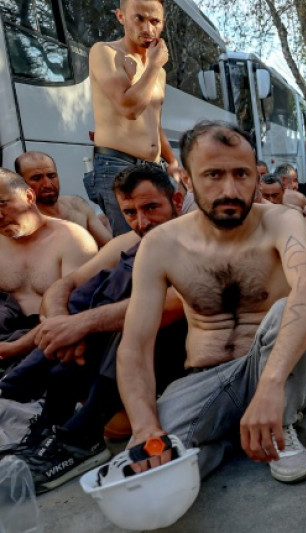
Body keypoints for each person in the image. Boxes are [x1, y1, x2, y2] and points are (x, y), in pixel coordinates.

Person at [116, 121, 306, 482]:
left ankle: (279, 421)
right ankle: (231, 438)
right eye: (213, 175)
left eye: (241, 174)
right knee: (151, 470)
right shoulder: (161, 245)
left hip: (279, 374)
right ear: (187, 179)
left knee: (289, 308)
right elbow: (135, 345)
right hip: (204, 381)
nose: (230, 189)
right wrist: (144, 426)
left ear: (256, 177)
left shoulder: (282, 221)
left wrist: (270, 387)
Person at [1, 163, 187, 492]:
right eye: (130, 212)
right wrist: (63, 323)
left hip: (159, 356)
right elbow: (65, 285)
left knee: (131, 303)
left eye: (151, 208)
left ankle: (78, 437)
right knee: (90, 292)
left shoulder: (194, 243)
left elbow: (173, 305)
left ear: (177, 200)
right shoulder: (131, 240)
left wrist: (81, 325)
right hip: (97, 361)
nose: (142, 221)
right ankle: (51, 419)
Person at [86, 0, 183, 236]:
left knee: (164, 241)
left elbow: (153, 122)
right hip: (117, 165)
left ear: (163, 23)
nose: (148, 29)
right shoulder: (105, 52)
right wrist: (153, 66)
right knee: (133, 246)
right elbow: (129, 108)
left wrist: (173, 162)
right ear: (121, 16)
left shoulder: (159, 72)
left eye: (155, 21)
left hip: (154, 168)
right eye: (139, 18)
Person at [0, 170, 97, 366]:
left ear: (29, 197)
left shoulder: (72, 239)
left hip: (52, 342)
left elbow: (78, 308)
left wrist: (16, 347)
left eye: (2, 203)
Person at [14, 152, 112, 247]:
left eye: (51, 176)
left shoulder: (77, 205)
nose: (48, 184)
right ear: (21, 183)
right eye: (37, 178)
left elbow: (109, 245)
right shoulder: (26, 225)